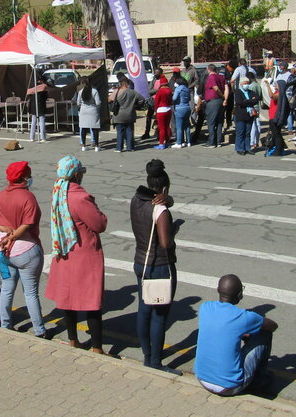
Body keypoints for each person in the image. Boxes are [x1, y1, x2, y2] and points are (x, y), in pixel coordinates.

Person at [46, 156, 109, 355]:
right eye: (80, 172)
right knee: (92, 301)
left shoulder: (58, 191)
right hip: (84, 253)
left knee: (69, 299)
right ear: (76, 174)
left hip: (65, 250)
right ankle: (97, 347)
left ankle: (73, 340)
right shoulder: (80, 197)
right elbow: (99, 224)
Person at [131, 159, 180, 375]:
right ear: (165, 188)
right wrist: (173, 228)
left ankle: (146, 354)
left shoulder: (137, 199)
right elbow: (165, 242)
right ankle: (155, 361)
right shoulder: (160, 210)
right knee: (159, 314)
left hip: (140, 261)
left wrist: (168, 200)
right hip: (159, 266)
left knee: (144, 309)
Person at [195, 274, 278, 396]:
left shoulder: (205, 307)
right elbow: (273, 326)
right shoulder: (244, 317)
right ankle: (259, 381)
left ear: (218, 290)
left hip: (202, 379)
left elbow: (223, 329)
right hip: (228, 387)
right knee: (264, 335)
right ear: (240, 295)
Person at [0, 161, 48, 337]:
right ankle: (39, 330)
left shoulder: (1, 195)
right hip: (25, 250)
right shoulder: (27, 197)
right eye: (29, 175)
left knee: (7, 287)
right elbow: (28, 223)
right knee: (30, 292)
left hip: (1, 250)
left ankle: (5, 324)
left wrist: (6, 231)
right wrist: (14, 236)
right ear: (24, 177)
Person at [111, 77, 146, 152]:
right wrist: (135, 105)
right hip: (130, 114)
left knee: (120, 132)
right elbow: (142, 99)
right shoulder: (133, 92)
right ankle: (130, 147)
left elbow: (109, 99)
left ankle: (119, 148)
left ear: (121, 84)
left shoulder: (117, 91)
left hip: (119, 115)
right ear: (127, 84)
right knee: (129, 131)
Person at [202, 64, 227, 148]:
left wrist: (222, 96)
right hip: (220, 101)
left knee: (211, 121)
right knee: (219, 121)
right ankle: (218, 141)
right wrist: (225, 99)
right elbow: (227, 88)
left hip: (213, 101)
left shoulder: (211, 77)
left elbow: (215, 88)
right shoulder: (221, 77)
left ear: (208, 69)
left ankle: (211, 142)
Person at [233, 78, 259, 155]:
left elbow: (256, 99)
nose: (246, 85)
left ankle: (247, 147)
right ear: (241, 84)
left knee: (248, 132)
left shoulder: (251, 92)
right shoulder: (238, 92)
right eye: (245, 83)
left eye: (248, 83)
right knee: (240, 132)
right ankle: (239, 148)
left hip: (249, 115)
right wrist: (249, 101)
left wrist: (247, 101)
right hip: (241, 115)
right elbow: (239, 102)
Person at [263, 78, 288, 157]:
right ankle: (280, 147)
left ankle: (278, 149)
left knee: (276, 134)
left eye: (277, 84)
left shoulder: (280, 94)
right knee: (276, 134)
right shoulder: (278, 92)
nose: (275, 85)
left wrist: (268, 86)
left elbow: (272, 96)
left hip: (275, 117)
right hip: (272, 116)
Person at [77, 77, 102, 151]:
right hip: (93, 111)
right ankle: (96, 146)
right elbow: (98, 102)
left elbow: (78, 103)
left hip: (83, 111)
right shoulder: (94, 91)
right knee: (95, 128)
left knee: (83, 128)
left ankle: (84, 145)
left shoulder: (81, 91)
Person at [142, 68, 165, 140]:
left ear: (161, 73)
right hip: (152, 100)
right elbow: (149, 91)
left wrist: (157, 91)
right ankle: (147, 132)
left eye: (157, 73)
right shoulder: (154, 80)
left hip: (160, 101)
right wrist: (157, 90)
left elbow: (163, 90)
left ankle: (159, 133)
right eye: (155, 73)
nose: (156, 74)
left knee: (159, 118)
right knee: (149, 117)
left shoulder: (163, 80)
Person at [171, 76, 192, 149]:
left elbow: (174, 98)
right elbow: (189, 98)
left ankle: (179, 142)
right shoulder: (187, 89)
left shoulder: (178, 88)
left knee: (179, 126)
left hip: (179, 108)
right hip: (187, 108)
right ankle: (188, 142)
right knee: (187, 126)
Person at [153, 74, 172, 150]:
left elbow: (156, 102)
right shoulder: (170, 91)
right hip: (168, 109)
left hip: (161, 110)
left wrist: (155, 111)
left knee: (161, 128)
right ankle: (167, 142)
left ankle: (161, 143)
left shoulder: (160, 91)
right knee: (167, 127)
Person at [26, 76, 48, 143]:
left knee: (33, 122)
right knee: (42, 122)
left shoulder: (32, 89)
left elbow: (29, 96)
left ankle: (32, 137)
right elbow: (46, 97)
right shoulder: (44, 88)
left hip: (33, 106)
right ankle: (43, 137)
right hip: (41, 106)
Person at [246, 72, 263, 150]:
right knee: (257, 124)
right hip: (257, 106)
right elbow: (260, 97)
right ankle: (256, 140)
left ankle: (252, 142)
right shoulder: (258, 85)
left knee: (253, 125)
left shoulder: (251, 86)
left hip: (252, 107)